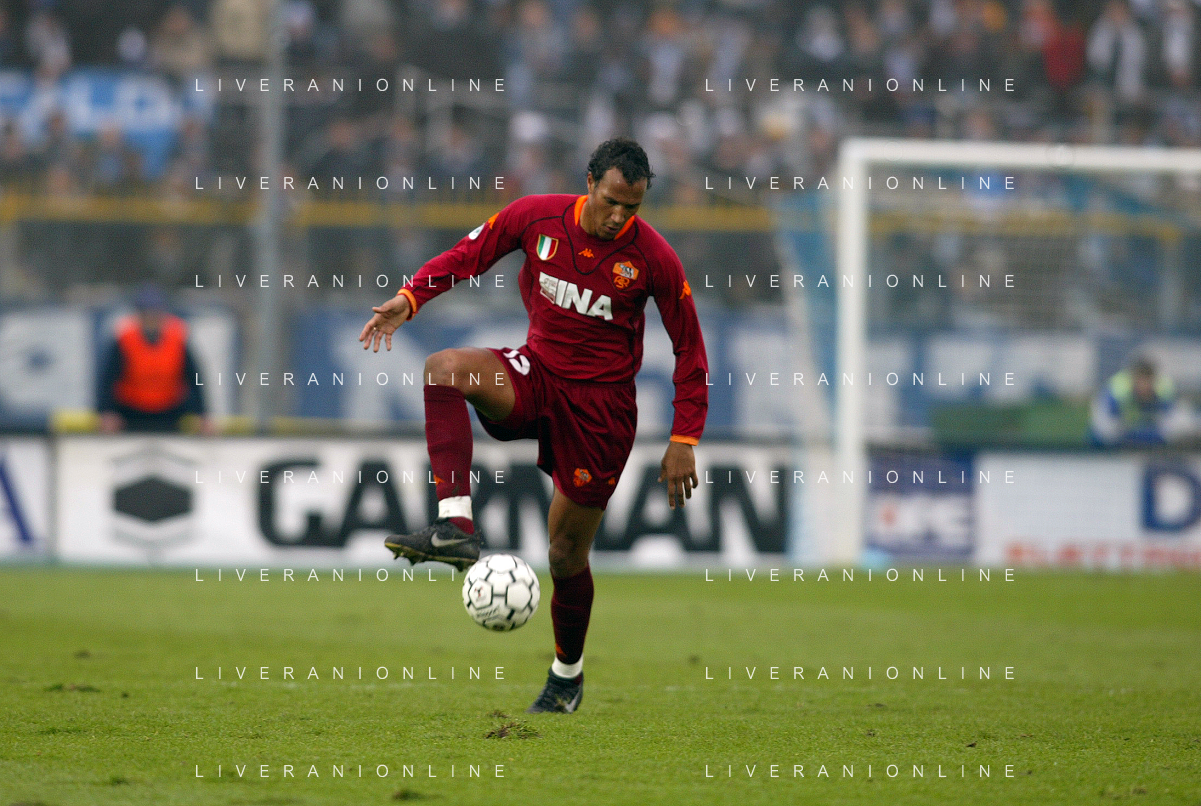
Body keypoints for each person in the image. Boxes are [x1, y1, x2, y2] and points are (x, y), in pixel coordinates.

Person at [359, 138, 708, 714]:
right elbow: (467, 255)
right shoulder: (535, 217)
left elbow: (690, 350)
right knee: (443, 370)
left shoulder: (654, 258)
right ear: (589, 181)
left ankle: (566, 676)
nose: (619, 216)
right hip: (537, 375)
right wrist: (411, 297)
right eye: (611, 200)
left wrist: (683, 438)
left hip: (600, 414)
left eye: (632, 207)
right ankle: (455, 526)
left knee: (565, 555)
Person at [97, 284, 212, 434]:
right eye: (146, 313)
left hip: (170, 411)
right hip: (130, 411)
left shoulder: (177, 338)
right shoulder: (125, 339)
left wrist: (202, 414)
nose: (151, 318)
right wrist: (106, 412)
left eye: (155, 313)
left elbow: (194, 377)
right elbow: (107, 379)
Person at [1090, 357, 1190, 446]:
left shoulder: (1165, 391)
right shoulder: (1116, 391)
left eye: (1147, 380)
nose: (1144, 386)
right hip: (1115, 445)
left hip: (1149, 441)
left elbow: (1181, 425)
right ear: (1132, 379)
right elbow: (1104, 430)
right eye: (1140, 380)